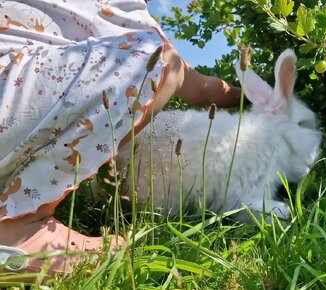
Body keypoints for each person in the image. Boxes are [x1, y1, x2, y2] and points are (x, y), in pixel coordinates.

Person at [0, 0, 240, 275]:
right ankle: (19, 229)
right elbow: (199, 88)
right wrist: (249, 96)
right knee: (159, 59)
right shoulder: (117, 8)